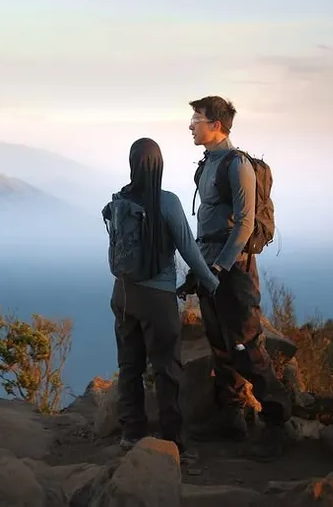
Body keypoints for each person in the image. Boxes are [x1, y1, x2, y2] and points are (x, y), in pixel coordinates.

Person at [181, 95, 292, 458]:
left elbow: (244, 224)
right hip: (211, 266)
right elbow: (206, 224)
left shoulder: (236, 164)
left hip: (234, 270)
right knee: (220, 344)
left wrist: (219, 268)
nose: (190, 125)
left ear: (216, 125)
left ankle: (279, 423)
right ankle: (231, 419)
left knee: (247, 345)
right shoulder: (207, 164)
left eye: (196, 119)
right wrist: (199, 269)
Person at [102, 137, 219, 458]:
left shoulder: (118, 201)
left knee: (129, 365)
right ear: (159, 165)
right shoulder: (166, 203)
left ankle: (131, 433)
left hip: (123, 293)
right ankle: (172, 439)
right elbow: (189, 250)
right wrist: (211, 281)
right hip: (157, 298)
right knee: (167, 369)